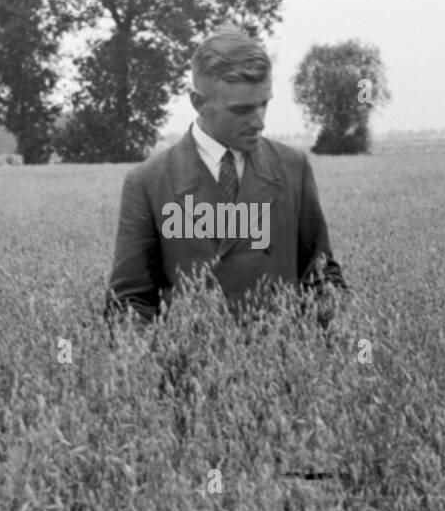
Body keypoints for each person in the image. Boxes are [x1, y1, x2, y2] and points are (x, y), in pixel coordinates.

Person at [104, 26, 347, 329]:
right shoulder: (147, 182)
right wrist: (158, 363)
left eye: (264, 103)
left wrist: (333, 339)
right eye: (242, 109)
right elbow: (129, 302)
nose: (259, 121)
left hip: (281, 367)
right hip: (189, 371)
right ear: (197, 102)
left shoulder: (293, 167)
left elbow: (321, 274)